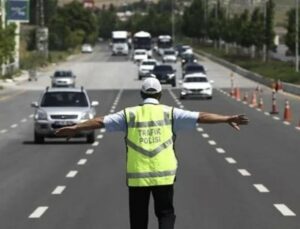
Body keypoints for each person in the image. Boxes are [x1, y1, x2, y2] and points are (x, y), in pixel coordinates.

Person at [55, 78, 249, 229]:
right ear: (160, 94)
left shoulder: (129, 114)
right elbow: (201, 116)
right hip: (164, 175)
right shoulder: (170, 113)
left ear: (141, 94)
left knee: (138, 219)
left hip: (138, 177)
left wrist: (76, 128)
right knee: (165, 214)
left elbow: (100, 121)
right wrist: (226, 118)